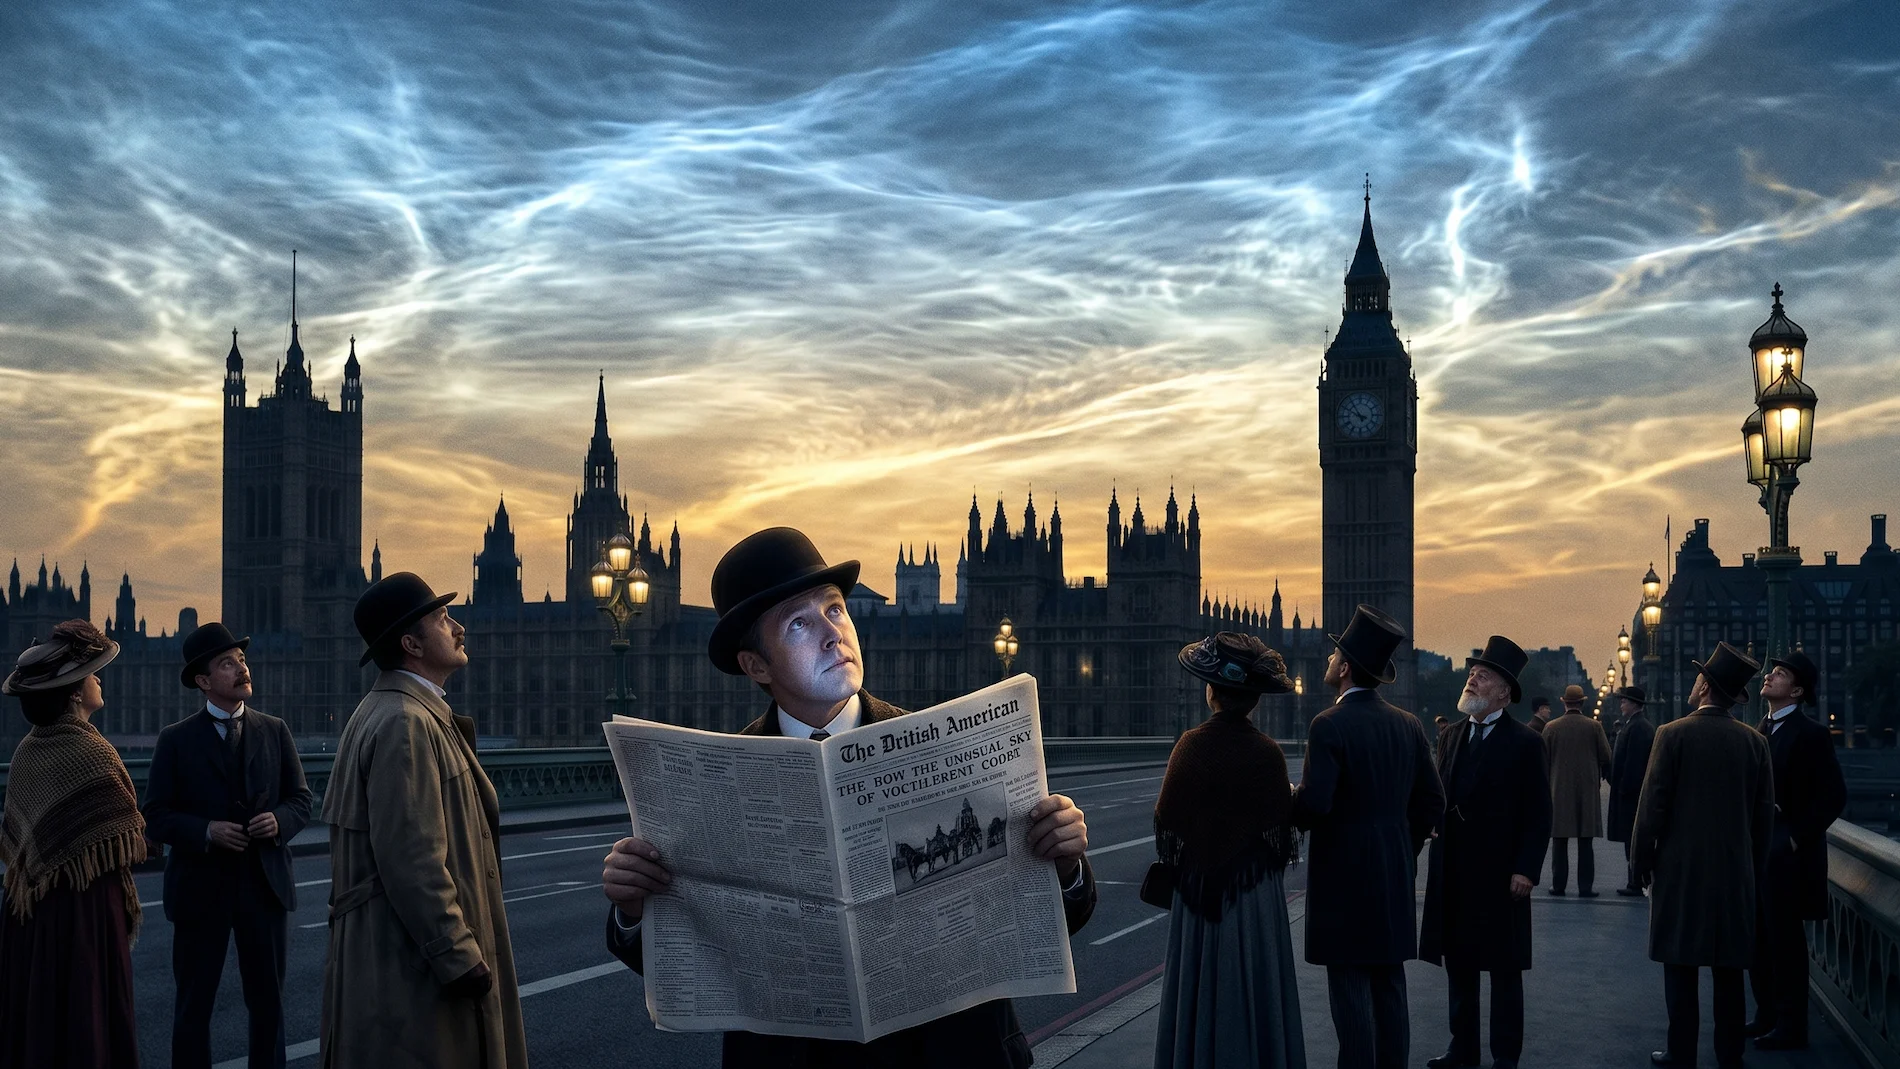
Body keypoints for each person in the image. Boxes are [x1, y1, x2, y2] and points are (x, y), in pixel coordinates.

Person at [599, 527, 1095, 1067]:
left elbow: (1045, 924)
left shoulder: (950, 750)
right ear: (756, 666)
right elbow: (689, 957)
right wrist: (632, 909)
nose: (832, 634)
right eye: (798, 624)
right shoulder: (708, 790)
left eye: (835, 610)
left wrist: (1065, 866)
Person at [319, 573, 527, 1069]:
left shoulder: (397, 711)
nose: (458, 627)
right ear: (411, 643)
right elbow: (412, 860)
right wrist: (457, 955)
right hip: (410, 968)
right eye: (441, 619)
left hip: (400, 956)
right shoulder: (404, 723)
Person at [143, 622, 312, 1069]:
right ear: (203, 681)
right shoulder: (175, 740)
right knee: (193, 1008)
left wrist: (277, 820)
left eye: (242, 661)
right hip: (201, 890)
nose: (241, 669)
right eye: (227, 664)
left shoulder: (275, 730)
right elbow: (155, 815)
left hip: (264, 887)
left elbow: (301, 801)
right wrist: (206, 831)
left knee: (268, 1007)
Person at [1291, 604, 1443, 1069]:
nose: (1328, 661)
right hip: (1393, 874)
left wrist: (1288, 797)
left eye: (1334, 655)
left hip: (1343, 880)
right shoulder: (1409, 724)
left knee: (1351, 990)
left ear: (1346, 668)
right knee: (1390, 986)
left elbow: (1315, 805)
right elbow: (1432, 802)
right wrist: (1403, 845)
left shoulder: (1328, 725)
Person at [1152, 632, 1305, 1069]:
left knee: (1196, 989)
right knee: (1258, 988)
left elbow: (1167, 822)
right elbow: (1281, 829)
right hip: (1254, 896)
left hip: (1200, 894)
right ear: (1253, 700)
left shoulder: (1190, 746)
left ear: (1211, 692)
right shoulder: (1269, 754)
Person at [0, 619, 144, 1069]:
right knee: (88, 1014)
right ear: (76, 693)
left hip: (32, 914)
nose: (99, 679)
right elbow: (126, 829)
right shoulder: (94, 753)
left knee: (41, 1017)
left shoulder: (27, 751)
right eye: (93, 674)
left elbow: (20, 839)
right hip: (86, 912)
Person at [1632, 642, 1774, 1069]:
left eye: (1698, 678)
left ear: (1705, 686)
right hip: (1734, 874)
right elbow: (1762, 821)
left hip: (1680, 873)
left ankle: (1681, 1054)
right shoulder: (1754, 744)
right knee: (1729, 973)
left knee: (1680, 968)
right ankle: (1730, 1055)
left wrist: (1641, 864)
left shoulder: (1671, 734)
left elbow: (1651, 809)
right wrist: (1752, 870)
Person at [1419, 636, 1552, 1069]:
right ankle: (1464, 1049)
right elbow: (1439, 795)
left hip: (1502, 875)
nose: (1473, 678)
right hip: (1456, 871)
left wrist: (1526, 870)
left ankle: (1505, 1056)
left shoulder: (1527, 743)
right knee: (1461, 967)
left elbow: (1538, 815)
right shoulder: (1451, 736)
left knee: (1504, 970)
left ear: (1504, 692)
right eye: (1473, 672)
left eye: (1484, 675)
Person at [1746, 650, 1846, 1050]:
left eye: (1781, 674)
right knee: (1758, 939)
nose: (1770, 676)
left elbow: (1834, 796)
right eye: (1773, 671)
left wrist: (1794, 837)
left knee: (1785, 942)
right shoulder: (1761, 727)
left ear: (1798, 690)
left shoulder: (1811, 734)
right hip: (1759, 853)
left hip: (1788, 858)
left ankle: (1791, 1026)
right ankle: (1765, 1014)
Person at [1542, 684, 1610, 897]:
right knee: (1585, 841)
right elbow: (1606, 756)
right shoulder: (1594, 727)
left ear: (1564, 703)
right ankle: (1585, 887)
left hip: (1558, 790)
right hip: (1587, 791)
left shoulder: (1551, 727)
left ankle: (1559, 885)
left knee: (1559, 841)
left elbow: (1543, 759)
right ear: (1582, 703)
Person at [1606, 686, 1655, 896]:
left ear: (1634, 704)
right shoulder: (1635, 725)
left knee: (1634, 840)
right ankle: (1635, 880)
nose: (1621, 704)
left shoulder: (1638, 728)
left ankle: (1636, 882)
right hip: (1630, 794)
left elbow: (1634, 765)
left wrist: (1624, 788)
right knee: (1631, 840)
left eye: (1624, 701)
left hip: (1631, 796)